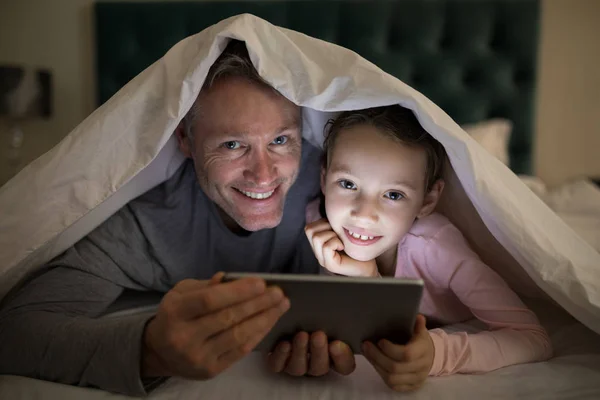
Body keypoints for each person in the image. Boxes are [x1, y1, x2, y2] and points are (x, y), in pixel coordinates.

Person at [0, 40, 356, 397]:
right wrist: (150, 350)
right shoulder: (143, 221)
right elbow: (14, 332)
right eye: (232, 144)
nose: (263, 176)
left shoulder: (338, 187)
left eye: (280, 140)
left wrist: (406, 349)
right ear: (185, 140)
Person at [304, 105, 553, 392]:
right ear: (324, 179)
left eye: (393, 194)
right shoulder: (318, 223)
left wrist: (437, 353)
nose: (363, 214)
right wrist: (367, 277)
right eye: (347, 184)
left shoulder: (436, 247)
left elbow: (534, 339)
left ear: (427, 201)